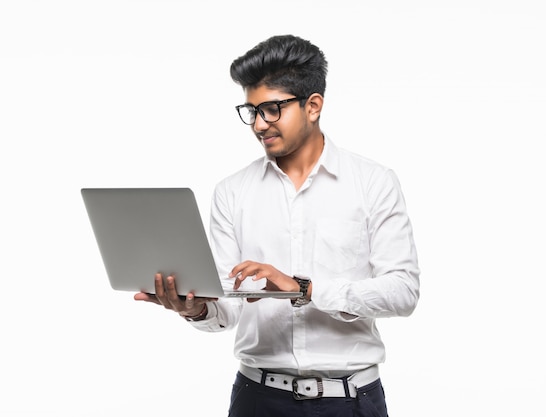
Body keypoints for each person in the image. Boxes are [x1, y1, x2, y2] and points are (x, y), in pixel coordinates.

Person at [134, 34, 420, 417]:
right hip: (258, 399)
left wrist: (304, 288)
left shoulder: (373, 182)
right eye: (251, 111)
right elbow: (226, 309)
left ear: (313, 105)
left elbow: (403, 292)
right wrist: (195, 308)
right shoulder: (232, 192)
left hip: (351, 401)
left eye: (271, 109)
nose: (258, 124)